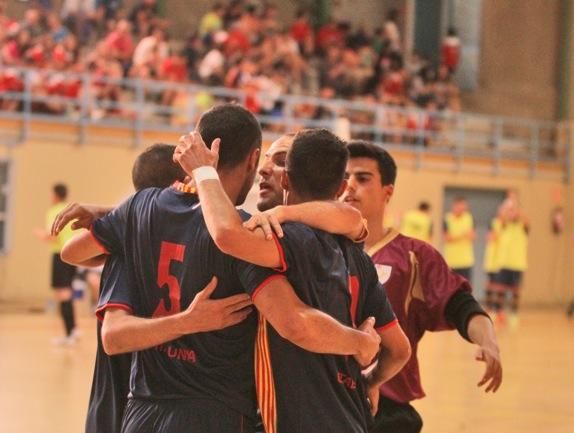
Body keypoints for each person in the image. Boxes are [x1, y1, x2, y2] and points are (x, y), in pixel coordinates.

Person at [59, 105, 381, 433]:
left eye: (281, 160)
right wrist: (360, 343)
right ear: (252, 159)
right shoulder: (245, 237)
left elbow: (72, 252)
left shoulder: (139, 213)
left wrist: (118, 216)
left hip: (141, 409)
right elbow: (294, 321)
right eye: (267, 159)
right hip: (216, 411)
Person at [173, 128, 411, 433]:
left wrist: (203, 172)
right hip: (353, 419)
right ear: (340, 188)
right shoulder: (360, 258)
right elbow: (399, 350)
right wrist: (367, 380)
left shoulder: (279, 237)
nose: (266, 168)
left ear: (287, 179)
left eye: (280, 160)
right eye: (266, 158)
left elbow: (227, 235)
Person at [342, 141, 502, 433]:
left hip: (387, 412)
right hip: (328, 403)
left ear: (387, 192)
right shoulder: (318, 248)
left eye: (362, 178)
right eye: (343, 177)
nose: (349, 186)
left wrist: (488, 340)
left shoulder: (414, 256)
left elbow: (460, 305)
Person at [85, 143, 186, 433]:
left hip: (146, 407)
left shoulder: (172, 239)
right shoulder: (129, 248)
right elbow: (115, 336)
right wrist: (191, 321)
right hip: (124, 406)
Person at [34, 183, 78, 345]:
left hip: (60, 255)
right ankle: (73, 329)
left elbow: (53, 236)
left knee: (62, 293)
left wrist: (40, 235)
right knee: (67, 292)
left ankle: (69, 334)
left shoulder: (54, 211)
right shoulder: (70, 209)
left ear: (55, 195)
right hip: (72, 255)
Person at [493, 199, 529, 325]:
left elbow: (526, 219)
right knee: (500, 289)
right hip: (504, 263)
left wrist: (516, 208)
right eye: (510, 212)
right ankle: (499, 312)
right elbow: (502, 216)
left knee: (515, 291)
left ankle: (514, 313)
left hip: (518, 264)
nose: (512, 213)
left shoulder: (523, 226)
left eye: (514, 211)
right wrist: (508, 206)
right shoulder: (504, 224)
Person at [443, 196, 476, 280]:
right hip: (451, 261)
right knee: (451, 288)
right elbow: (447, 238)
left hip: (466, 261)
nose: (462, 209)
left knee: (466, 287)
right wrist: (463, 235)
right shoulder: (447, 218)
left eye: (464, 207)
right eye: (460, 206)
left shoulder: (469, 218)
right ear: (454, 206)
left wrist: (455, 236)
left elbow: (472, 236)